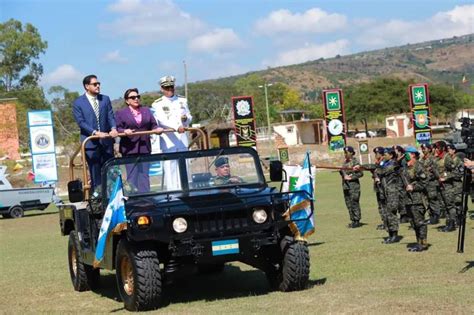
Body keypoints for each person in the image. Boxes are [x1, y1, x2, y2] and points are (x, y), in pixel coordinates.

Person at [73, 74, 118, 191]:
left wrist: (113, 128)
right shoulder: (78, 102)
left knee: (110, 171)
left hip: (106, 142)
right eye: (95, 84)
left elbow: (110, 116)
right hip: (90, 144)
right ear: (87, 86)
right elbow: (81, 122)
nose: (98, 86)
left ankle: (113, 199)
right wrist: (95, 132)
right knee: (95, 173)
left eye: (99, 84)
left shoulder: (105, 99)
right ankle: (98, 200)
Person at [115, 88, 164, 193]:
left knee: (144, 176)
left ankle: (146, 200)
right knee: (132, 176)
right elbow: (117, 128)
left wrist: (156, 129)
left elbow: (153, 125)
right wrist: (124, 131)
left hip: (144, 147)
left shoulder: (146, 110)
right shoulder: (121, 113)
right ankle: (133, 201)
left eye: (138, 97)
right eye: (133, 97)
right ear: (127, 101)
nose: (136, 99)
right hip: (129, 148)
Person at [151, 75, 192, 190]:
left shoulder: (182, 100)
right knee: (171, 170)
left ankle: (188, 193)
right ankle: (174, 195)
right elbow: (161, 120)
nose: (170, 90)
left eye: (171, 87)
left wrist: (185, 120)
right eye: (167, 88)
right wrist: (176, 126)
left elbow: (189, 117)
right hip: (169, 142)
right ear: (162, 89)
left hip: (182, 141)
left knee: (185, 170)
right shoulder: (157, 104)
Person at [403, 146, 429, 252]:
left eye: (407, 153)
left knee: (420, 222)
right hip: (408, 200)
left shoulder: (419, 166)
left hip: (418, 199)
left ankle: (423, 243)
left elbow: (424, 181)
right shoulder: (406, 167)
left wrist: (413, 187)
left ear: (413, 154)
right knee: (413, 223)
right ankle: (418, 242)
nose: (405, 155)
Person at [379, 147, 402, 244]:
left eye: (385, 154)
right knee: (386, 214)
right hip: (385, 192)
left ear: (391, 155)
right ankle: (390, 233)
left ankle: (394, 235)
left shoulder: (393, 164)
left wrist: (361, 167)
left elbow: (381, 171)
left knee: (391, 213)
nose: (383, 156)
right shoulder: (385, 164)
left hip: (392, 192)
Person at [439, 143, 464, 232]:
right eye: (448, 149)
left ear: (454, 150)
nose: (449, 151)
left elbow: (459, 174)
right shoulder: (448, 160)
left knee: (457, 204)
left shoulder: (458, 161)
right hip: (450, 185)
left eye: (450, 149)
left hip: (457, 185)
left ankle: (459, 220)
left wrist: (447, 176)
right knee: (450, 204)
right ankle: (453, 222)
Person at [340, 146, 364, 228]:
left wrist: (351, 177)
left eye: (346, 153)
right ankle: (353, 219)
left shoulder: (355, 162)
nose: (345, 154)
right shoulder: (345, 163)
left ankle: (357, 220)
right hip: (346, 186)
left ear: (351, 153)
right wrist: (343, 175)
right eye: (344, 153)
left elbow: (360, 173)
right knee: (348, 203)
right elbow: (342, 172)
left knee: (354, 203)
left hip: (354, 187)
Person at [420, 144, 440, 225]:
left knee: (433, 200)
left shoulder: (433, 159)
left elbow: (435, 171)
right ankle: (431, 216)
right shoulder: (422, 159)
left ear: (429, 149)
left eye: (424, 148)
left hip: (431, 183)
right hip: (424, 183)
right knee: (427, 200)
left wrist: (427, 173)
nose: (423, 150)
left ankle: (435, 217)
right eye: (422, 148)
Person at [372, 147, 387, 230]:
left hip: (383, 186)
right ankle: (384, 222)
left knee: (384, 205)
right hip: (378, 187)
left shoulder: (384, 162)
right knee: (380, 206)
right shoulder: (377, 163)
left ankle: (386, 223)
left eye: (377, 153)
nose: (376, 155)